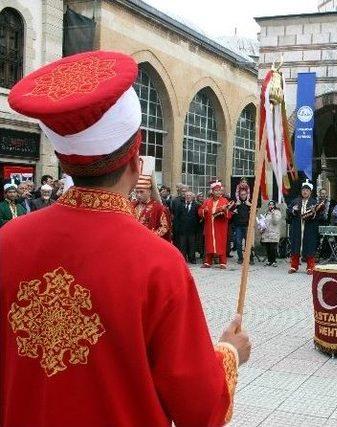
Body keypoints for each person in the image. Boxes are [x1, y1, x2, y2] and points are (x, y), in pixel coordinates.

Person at [2, 50, 249, 426]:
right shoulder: (158, 262)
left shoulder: (8, 241)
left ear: (63, 160)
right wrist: (229, 352)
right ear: (137, 157)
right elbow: (199, 408)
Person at [131, 156, 172, 241]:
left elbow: (165, 227)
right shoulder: (131, 206)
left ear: (149, 192)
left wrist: (150, 237)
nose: (138, 195)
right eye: (137, 192)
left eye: (141, 192)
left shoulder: (159, 208)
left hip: (150, 242)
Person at [288, 179, 324, 274]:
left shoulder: (314, 202)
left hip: (309, 229)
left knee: (309, 247)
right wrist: (293, 210)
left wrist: (314, 213)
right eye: (303, 190)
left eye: (307, 190)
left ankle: (310, 267)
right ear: (301, 191)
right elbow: (289, 210)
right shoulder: (295, 201)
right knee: (295, 246)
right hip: (297, 228)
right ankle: (294, 266)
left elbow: (320, 215)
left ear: (310, 192)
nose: (305, 191)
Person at [199, 181, 233, 269]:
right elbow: (200, 210)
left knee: (221, 243)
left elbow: (229, 213)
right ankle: (208, 262)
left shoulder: (225, 200)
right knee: (209, 244)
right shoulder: (207, 201)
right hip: (209, 226)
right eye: (216, 190)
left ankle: (223, 262)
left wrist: (224, 210)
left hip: (220, 226)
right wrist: (204, 211)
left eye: (219, 190)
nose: (218, 192)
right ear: (212, 192)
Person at [173, 191, 200, 264]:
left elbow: (198, 218)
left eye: (190, 195)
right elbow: (176, 218)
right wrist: (176, 228)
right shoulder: (180, 205)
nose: (188, 197)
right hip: (182, 229)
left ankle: (192, 258)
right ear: (185, 196)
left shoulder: (196, 206)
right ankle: (183, 258)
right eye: (187, 195)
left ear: (192, 197)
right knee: (182, 245)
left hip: (192, 229)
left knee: (192, 245)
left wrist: (197, 229)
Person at [231, 188, 253, 265]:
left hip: (247, 226)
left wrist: (250, 206)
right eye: (242, 194)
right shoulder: (236, 204)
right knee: (238, 243)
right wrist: (234, 208)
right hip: (238, 226)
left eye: (244, 194)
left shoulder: (250, 203)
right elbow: (231, 213)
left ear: (247, 195)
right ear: (239, 195)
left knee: (248, 243)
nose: (243, 196)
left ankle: (250, 258)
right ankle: (240, 258)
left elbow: (255, 212)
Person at [259, 200, 282, 266]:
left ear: (274, 205)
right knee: (268, 248)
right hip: (266, 233)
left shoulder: (277, 212)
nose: (271, 206)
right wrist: (261, 227)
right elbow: (264, 222)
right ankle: (269, 261)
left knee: (273, 248)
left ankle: (274, 261)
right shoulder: (266, 213)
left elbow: (276, 221)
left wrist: (273, 214)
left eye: (272, 205)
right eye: (269, 205)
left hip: (274, 233)